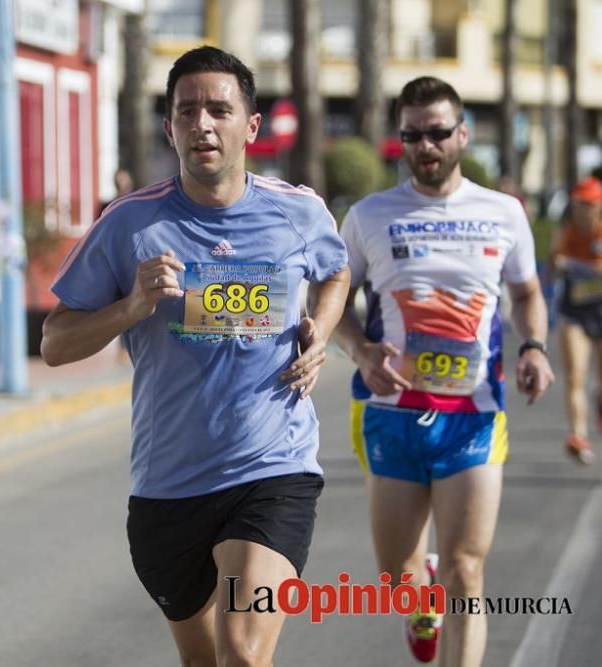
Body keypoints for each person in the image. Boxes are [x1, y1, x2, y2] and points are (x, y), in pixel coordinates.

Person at [42, 46, 350, 666]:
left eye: (219, 109)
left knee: (242, 652)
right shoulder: (130, 224)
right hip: (169, 485)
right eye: (188, 111)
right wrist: (130, 307)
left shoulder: (297, 212)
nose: (203, 124)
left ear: (250, 127)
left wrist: (321, 333)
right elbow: (53, 343)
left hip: (273, 469)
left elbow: (336, 270)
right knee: (205, 660)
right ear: (170, 127)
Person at [333, 76, 555, 666]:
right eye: (412, 135)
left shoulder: (502, 212)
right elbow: (327, 302)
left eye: (436, 133)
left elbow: (528, 292)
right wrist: (359, 351)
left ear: (462, 134)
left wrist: (533, 345)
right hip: (390, 413)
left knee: (466, 570)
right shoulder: (368, 216)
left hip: (473, 416)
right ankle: (417, 596)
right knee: (398, 578)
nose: (425, 146)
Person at [551, 176, 602, 465]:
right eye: (579, 203)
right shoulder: (566, 231)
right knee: (575, 375)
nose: (584, 209)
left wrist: (572, 265)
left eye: (589, 204)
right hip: (575, 311)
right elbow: (553, 262)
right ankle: (578, 435)